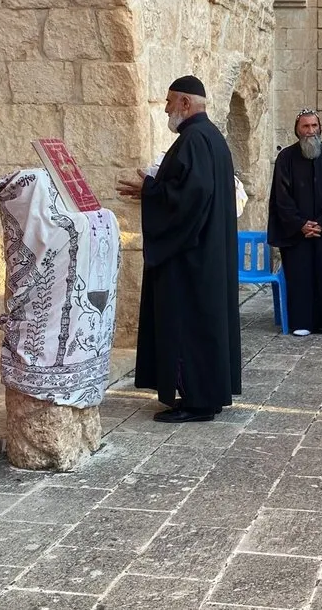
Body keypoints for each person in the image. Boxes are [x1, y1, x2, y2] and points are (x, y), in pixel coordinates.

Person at [117, 76, 241, 423]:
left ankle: (196, 402)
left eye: (170, 101)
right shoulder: (209, 137)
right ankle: (205, 396)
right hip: (205, 252)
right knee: (203, 326)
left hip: (190, 257)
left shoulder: (194, 139)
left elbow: (190, 198)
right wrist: (153, 189)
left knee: (187, 326)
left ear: (186, 103)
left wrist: (150, 189)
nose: (167, 109)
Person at [267, 110, 322, 339]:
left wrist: (321, 224)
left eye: (314, 125)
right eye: (305, 126)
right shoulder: (286, 157)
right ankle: (302, 321)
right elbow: (281, 196)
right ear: (297, 129)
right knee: (300, 275)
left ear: (319, 127)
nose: (310, 131)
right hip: (297, 232)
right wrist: (300, 224)